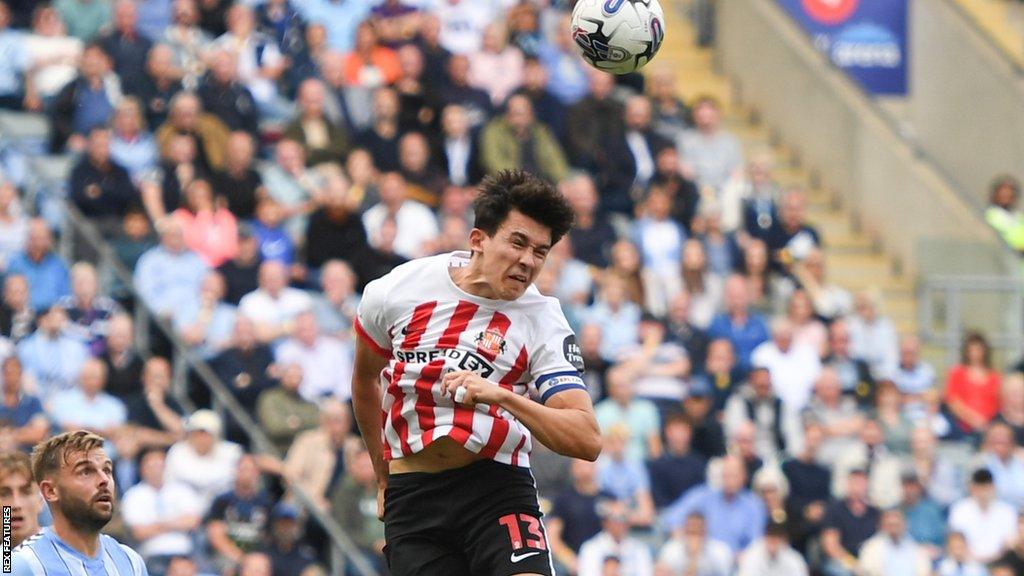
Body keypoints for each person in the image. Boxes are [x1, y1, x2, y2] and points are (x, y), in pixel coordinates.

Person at [351, 169, 600, 576]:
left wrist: (502, 396)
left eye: (540, 251)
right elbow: (364, 382)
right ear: (478, 240)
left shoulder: (543, 319)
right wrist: (383, 476)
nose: (527, 261)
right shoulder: (395, 291)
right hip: (415, 499)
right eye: (518, 243)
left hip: (497, 489)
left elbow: (587, 438)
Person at [10, 430, 148, 576]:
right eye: (86, 471)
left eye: (107, 470)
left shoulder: (131, 562)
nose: (104, 480)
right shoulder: (21, 565)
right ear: (50, 491)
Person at [121, 448, 203, 572]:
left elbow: (193, 522)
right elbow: (139, 532)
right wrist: (177, 523)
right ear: (142, 469)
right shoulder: (133, 495)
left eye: (159, 465)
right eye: (151, 466)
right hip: (152, 554)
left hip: (185, 552)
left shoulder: (182, 490)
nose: (156, 470)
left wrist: (158, 525)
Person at [576, 500, 654, 576]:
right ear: (605, 522)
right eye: (616, 519)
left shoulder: (640, 549)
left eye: (624, 519)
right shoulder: (590, 548)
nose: (620, 524)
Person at [856, 508, 931, 576]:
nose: (894, 529)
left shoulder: (916, 549)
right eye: (890, 525)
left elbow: (924, 572)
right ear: (882, 526)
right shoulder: (870, 548)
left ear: (905, 525)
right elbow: (865, 571)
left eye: (897, 525)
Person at [736, 521, 809, 576]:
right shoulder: (752, 555)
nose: (773, 543)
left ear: (783, 540)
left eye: (777, 538)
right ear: (765, 537)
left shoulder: (793, 558)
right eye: (771, 537)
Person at [0, 452, 42, 547]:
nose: (16, 504)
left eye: (26, 492)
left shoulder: (68, 555)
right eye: (4, 494)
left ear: (41, 500)